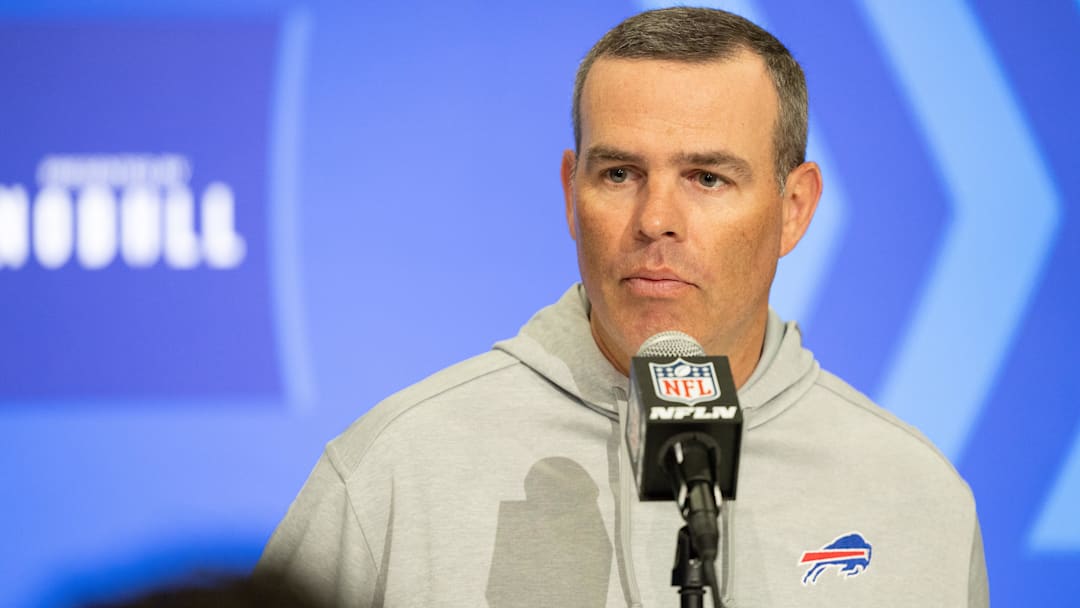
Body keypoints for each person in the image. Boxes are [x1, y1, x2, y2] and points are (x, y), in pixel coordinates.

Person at [256, 7, 989, 607]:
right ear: (572, 192)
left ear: (794, 209)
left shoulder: (915, 495)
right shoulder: (398, 467)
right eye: (619, 173)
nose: (655, 220)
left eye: (706, 178)